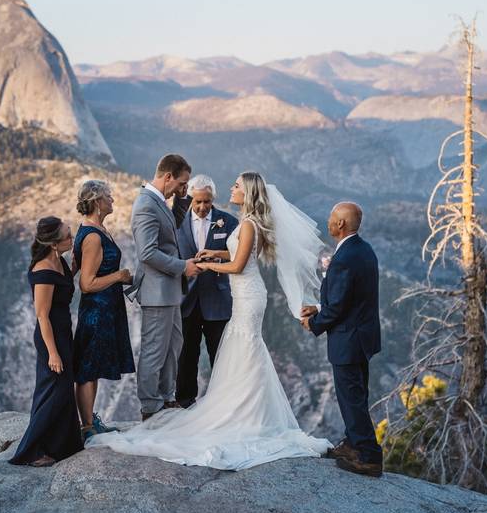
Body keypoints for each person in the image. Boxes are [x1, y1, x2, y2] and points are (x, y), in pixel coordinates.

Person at [87, 172, 331, 470]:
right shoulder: (247, 223)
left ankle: (245, 413)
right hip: (231, 296)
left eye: (237, 186)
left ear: (248, 192)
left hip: (246, 295)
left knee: (245, 347)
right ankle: (242, 408)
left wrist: (202, 263)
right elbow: (238, 251)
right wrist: (215, 252)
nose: (233, 188)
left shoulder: (247, 224)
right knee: (234, 351)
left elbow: (240, 263)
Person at [301, 202, 384, 477]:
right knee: (356, 394)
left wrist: (313, 322)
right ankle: (352, 443)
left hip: (348, 340)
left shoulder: (345, 258)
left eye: (331, 218)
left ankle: (368, 456)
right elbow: (351, 298)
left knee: (351, 398)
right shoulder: (364, 249)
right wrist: (320, 307)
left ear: (340, 225)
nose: (328, 222)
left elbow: (338, 306)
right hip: (363, 337)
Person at [127, 154, 201, 421]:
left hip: (169, 291)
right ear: (168, 176)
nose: (184, 187)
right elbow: (147, 253)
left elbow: (172, 226)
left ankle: (165, 397)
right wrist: (183, 266)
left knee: (173, 346)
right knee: (154, 349)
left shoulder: (161, 201)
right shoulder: (145, 205)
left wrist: (182, 198)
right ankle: (149, 406)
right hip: (157, 292)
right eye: (182, 182)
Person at [9, 217, 82, 467]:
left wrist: (74, 269)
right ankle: (32, 450)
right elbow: (42, 315)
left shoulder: (58, 262)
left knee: (61, 390)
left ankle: (62, 447)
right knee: (54, 391)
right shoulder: (43, 270)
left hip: (63, 333)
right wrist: (53, 353)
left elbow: (62, 289)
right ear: (53, 244)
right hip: (50, 337)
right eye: (68, 235)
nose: (72, 238)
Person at [72, 179, 135, 442]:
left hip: (106, 309)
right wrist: (118, 276)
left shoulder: (97, 230)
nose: (113, 200)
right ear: (97, 202)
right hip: (96, 311)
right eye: (108, 197)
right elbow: (86, 283)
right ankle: (86, 426)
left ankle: (90, 422)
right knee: (88, 368)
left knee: (93, 366)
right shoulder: (94, 237)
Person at [174, 174, 238, 408]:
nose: (202, 207)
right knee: (186, 355)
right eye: (198, 201)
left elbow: (240, 255)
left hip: (217, 300)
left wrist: (215, 257)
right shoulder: (176, 222)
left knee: (220, 356)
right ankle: (184, 402)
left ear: (213, 199)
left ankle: (223, 404)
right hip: (185, 299)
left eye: (207, 202)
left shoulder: (228, 222)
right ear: (190, 198)